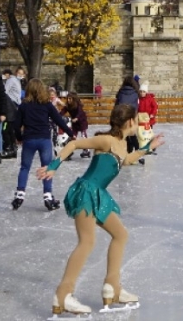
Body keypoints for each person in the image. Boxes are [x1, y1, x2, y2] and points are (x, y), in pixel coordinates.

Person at [36, 104, 165, 317]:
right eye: (137, 120)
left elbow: (126, 161)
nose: (139, 124)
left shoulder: (122, 144)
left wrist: (149, 147)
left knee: (120, 235)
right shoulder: (105, 140)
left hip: (98, 195)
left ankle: (112, 286)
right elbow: (75, 144)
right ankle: (63, 294)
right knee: (87, 242)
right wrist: (53, 166)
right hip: (86, 192)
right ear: (130, 122)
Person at [11, 79, 74, 211]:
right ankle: (48, 196)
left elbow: (16, 125)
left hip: (29, 140)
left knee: (24, 168)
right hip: (44, 140)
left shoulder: (23, 106)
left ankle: (20, 195)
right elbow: (59, 120)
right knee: (47, 168)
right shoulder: (47, 105)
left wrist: (19, 137)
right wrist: (70, 133)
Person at [115, 76, 140, 153]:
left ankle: (129, 149)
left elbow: (117, 104)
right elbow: (137, 105)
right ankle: (137, 148)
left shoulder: (121, 92)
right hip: (132, 115)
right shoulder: (135, 93)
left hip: (122, 115)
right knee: (132, 133)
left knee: (124, 133)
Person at [1, 69, 22, 159]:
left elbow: (4, 92)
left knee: (5, 129)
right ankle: (13, 147)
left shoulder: (11, 80)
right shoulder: (16, 81)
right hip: (14, 107)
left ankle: (9, 148)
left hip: (9, 108)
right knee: (10, 129)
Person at [63, 92, 91, 159]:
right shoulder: (68, 106)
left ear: (74, 99)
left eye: (70, 99)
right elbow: (62, 111)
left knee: (83, 135)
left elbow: (80, 112)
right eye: (67, 99)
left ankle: (86, 150)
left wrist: (77, 118)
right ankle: (69, 150)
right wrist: (57, 116)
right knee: (73, 136)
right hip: (75, 124)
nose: (68, 100)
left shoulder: (78, 105)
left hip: (81, 122)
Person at [137, 83, 159, 163]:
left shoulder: (150, 98)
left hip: (149, 119)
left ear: (146, 92)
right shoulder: (138, 99)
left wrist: (152, 114)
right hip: (141, 120)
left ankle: (152, 146)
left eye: (143, 92)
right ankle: (143, 147)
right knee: (142, 134)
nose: (142, 93)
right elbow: (137, 107)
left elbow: (155, 106)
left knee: (149, 133)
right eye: (141, 91)